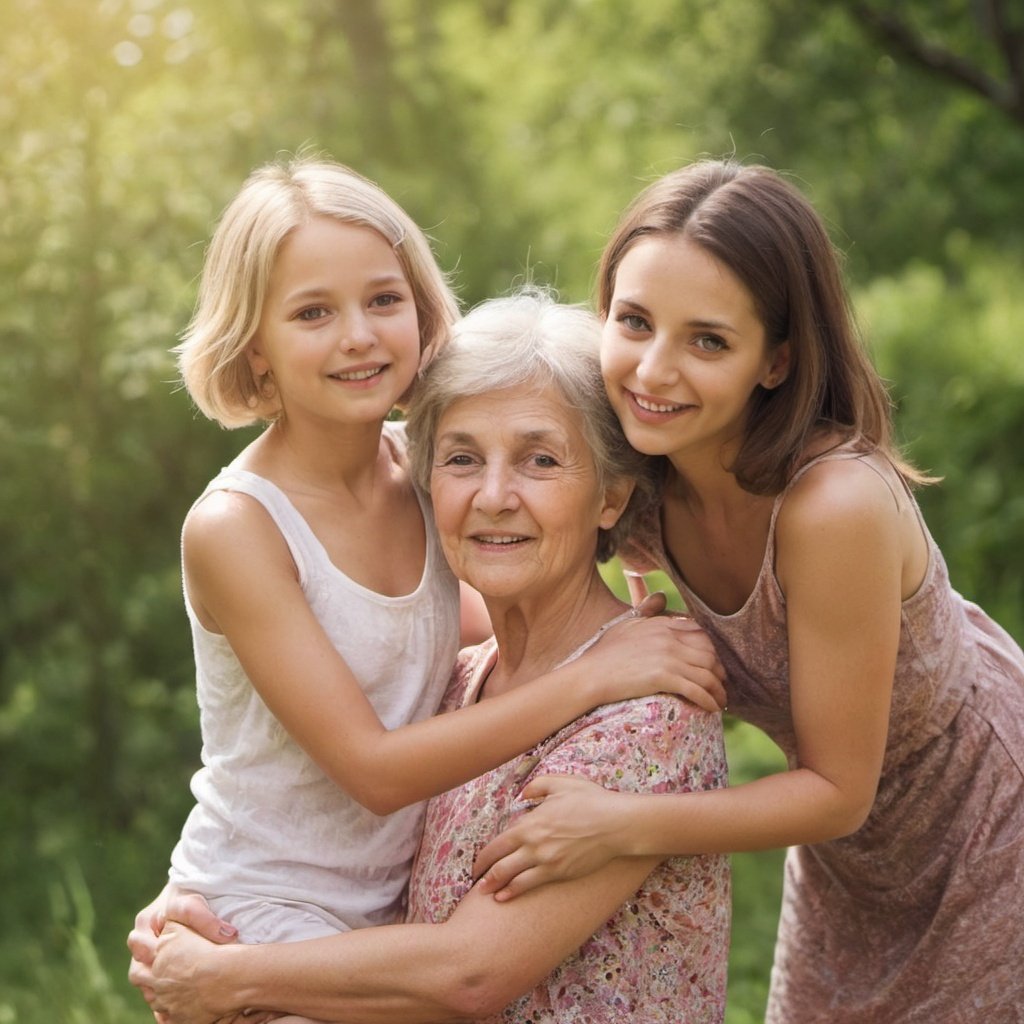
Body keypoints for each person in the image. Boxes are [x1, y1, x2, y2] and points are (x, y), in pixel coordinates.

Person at [136, 156, 728, 974]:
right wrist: (600, 674)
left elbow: (492, 620)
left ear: (420, 307)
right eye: (313, 312)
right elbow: (376, 772)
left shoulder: (419, 472)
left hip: (390, 912)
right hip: (261, 910)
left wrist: (636, 620)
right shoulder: (239, 528)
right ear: (255, 346)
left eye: (384, 300)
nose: (358, 334)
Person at [470, 161, 1024, 1022]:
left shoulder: (832, 507)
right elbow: (520, 565)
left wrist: (621, 822)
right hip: (846, 859)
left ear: (777, 362)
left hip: (983, 827)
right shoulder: (640, 473)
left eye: (708, 341)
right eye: (635, 322)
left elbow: (840, 791)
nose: (654, 371)